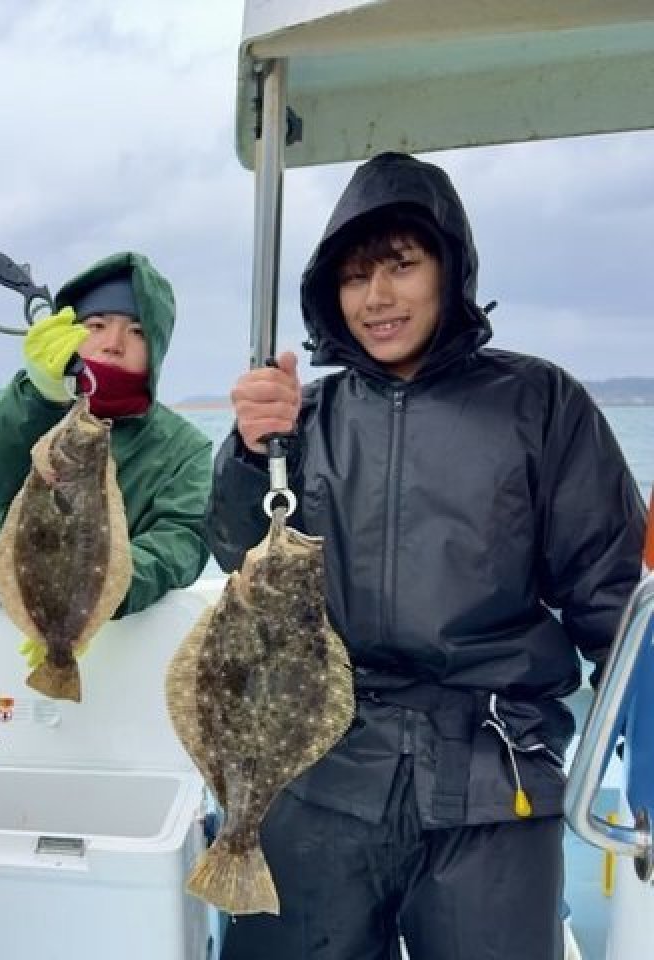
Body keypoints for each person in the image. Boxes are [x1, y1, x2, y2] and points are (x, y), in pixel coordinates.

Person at [206, 151, 646, 960]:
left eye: (401, 266)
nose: (376, 298)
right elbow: (239, 557)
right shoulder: (305, 417)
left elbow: (611, 599)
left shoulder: (542, 404)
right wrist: (246, 453)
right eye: (354, 275)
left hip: (495, 776)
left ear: (450, 268)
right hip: (324, 760)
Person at [0, 252, 211, 620]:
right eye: (97, 325)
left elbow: (183, 539)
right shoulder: (33, 400)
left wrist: (98, 586)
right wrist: (41, 395)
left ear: (157, 344)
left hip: (114, 629)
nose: (113, 343)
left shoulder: (184, 448)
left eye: (137, 331)